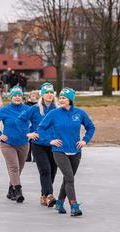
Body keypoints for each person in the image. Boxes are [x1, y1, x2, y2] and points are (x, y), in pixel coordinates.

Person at [38, 87, 95, 216]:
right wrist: (50, 140)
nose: (61, 99)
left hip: (75, 150)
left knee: (67, 179)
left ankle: (59, 203)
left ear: (70, 99)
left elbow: (91, 127)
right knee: (69, 178)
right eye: (60, 97)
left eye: (64, 97)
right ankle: (74, 205)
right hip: (59, 150)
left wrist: (85, 140)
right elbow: (41, 128)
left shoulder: (80, 113)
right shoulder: (54, 113)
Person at [16, 83, 58, 207]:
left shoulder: (58, 109)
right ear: (42, 95)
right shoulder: (35, 109)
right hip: (38, 144)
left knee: (53, 171)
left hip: (54, 144)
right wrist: (27, 133)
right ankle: (49, 195)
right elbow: (19, 120)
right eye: (46, 92)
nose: (49, 94)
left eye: (51, 92)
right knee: (45, 170)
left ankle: (43, 195)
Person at [0, 86, 29, 203]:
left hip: (24, 144)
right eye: (15, 95)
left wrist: (32, 132)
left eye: (19, 95)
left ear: (22, 97)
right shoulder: (5, 110)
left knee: (19, 169)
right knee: (14, 167)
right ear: (11, 97)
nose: (17, 97)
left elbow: (36, 121)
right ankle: (18, 191)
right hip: (8, 144)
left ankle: (11, 189)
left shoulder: (27, 109)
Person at [25, 90, 40, 162]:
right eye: (32, 96)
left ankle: (35, 156)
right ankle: (28, 156)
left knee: (35, 140)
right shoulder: (27, 104)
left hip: (35, 124)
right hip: (29, 124)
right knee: (29, 141)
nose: (33, 98)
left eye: (35, 96)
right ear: (29, 97)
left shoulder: (38, 105)